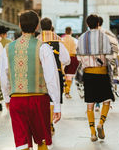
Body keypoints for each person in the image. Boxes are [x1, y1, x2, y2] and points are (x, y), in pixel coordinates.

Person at [0, 10, 61, 150]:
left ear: (19, 25)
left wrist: (7, 99)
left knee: (21, 143)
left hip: (17, 99)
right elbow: (52, 78)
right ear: (37, 27)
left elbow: (4, 77)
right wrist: (57, 105)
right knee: (43, 139)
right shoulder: (43, 47)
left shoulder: (8, 49)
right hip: (38, 98)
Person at [77, 14, 114, 142]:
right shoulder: (104, 36)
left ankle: (92, 132)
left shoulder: (82, 38)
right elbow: (110, 56)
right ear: (98, 24)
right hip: (102, 73)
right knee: (107, 100)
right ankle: (101, 123)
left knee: (90, 104)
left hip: (88, 74)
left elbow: (78, 57)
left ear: (87, 24)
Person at [38, 18, 70, 135]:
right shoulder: (58, 40)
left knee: (42, 98)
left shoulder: (37, 40)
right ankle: (50, 123)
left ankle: (44, 122)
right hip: (55, 73)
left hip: (40, 74)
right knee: (52, 98)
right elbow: (66, 59)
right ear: (51, 26)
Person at [0, 25, 12, 111]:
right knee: (8, 84)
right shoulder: (9, 42)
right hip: (8, 66)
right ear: (5, 34)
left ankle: (0, 103)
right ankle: (8, 100)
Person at [62, 27, 79, 99]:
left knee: (64, 75)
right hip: (72, 58)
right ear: (71, 32)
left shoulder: (61, 40)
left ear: (65, 32)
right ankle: (67, 91)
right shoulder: (75, 40)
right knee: (69, 76)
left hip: (63, 59)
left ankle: (65, 90)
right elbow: (78, 49)